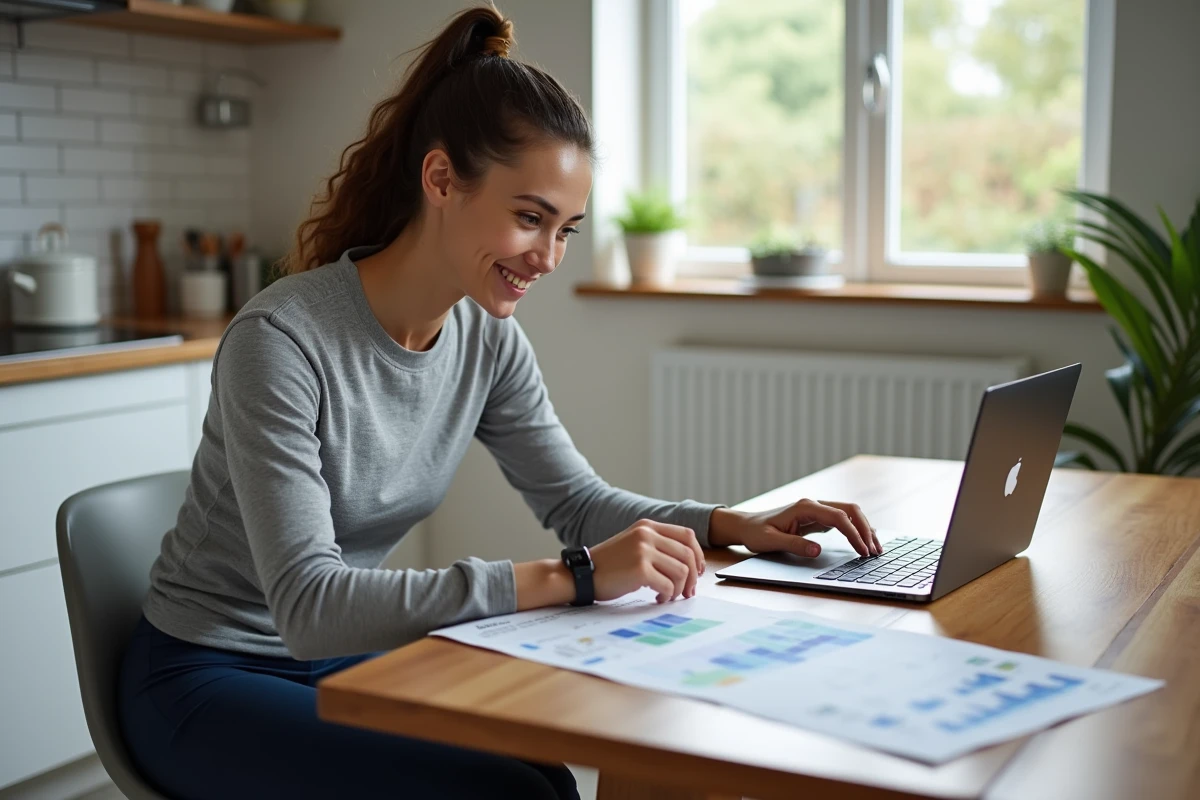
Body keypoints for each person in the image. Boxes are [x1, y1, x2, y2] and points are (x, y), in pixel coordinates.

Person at [116, 5, 882, 799]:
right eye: (529, 219)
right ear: (441, 179)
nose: (548, 257)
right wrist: (575, 576)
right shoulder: (281, 338)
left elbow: (576, 500)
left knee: (538, 771)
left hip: (336, 657)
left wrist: (734, 525)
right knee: (507, 793)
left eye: (566, 231)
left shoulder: (485, 340)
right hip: (204, 676)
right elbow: (311, 604)